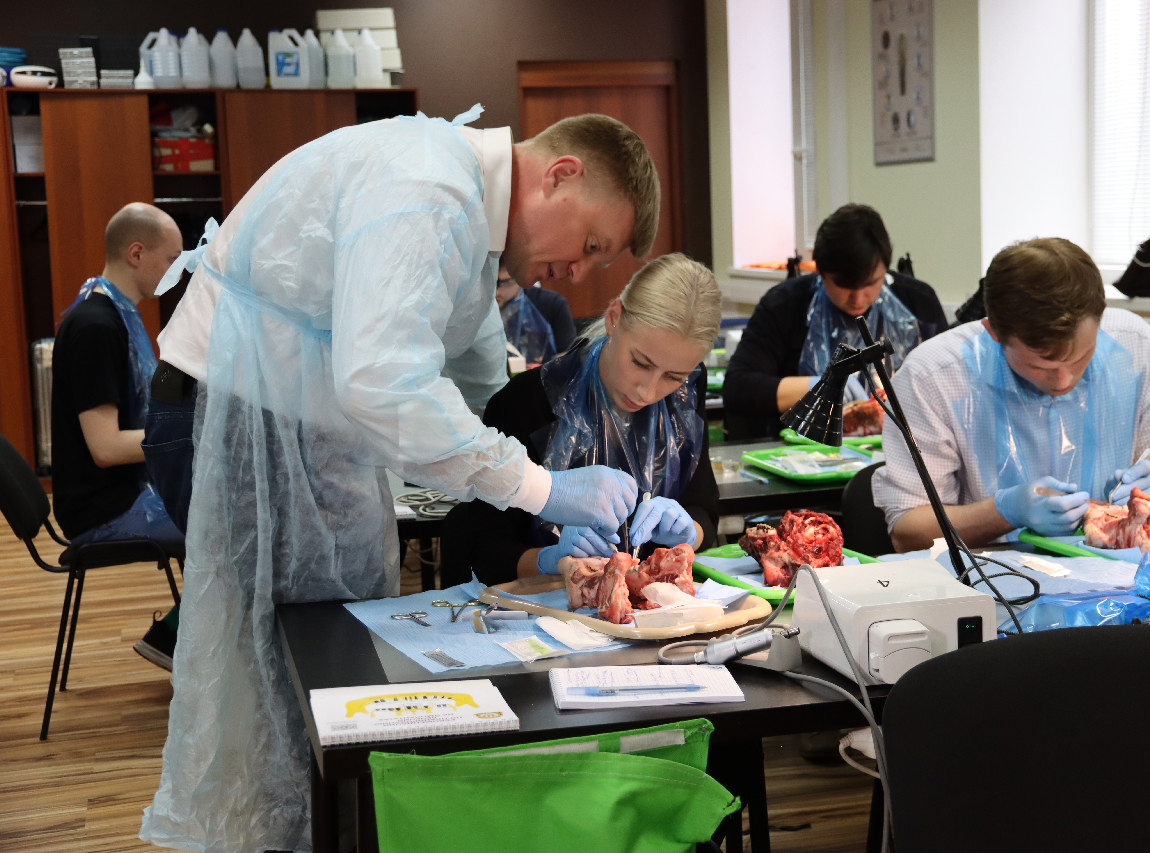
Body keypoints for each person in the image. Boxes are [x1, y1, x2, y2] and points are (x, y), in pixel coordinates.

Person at [139, 107, 660, 853]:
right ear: (561, 174)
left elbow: (474, 375)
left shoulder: (473, 229)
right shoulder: (428, 185)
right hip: (234, 416)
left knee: (330, 665)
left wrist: (541, 492)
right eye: (589, 244)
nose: (577, 270)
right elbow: (384, 381)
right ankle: (277, 838)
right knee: (278, 674)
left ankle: (316, 834)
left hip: (296, 422)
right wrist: (543, 490)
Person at [872, 236, 1150, 553]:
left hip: (1120, 576)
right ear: (993, 332)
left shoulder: (1132, 345)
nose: (1063, 380)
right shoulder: (934, 377)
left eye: (1080, 359)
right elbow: (906, 533)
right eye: (1039, 366)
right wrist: (1005, 511)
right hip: (990, 583)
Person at [457, 253, 720, 583]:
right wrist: (550, 560)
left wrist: (687, 533)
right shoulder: (527, 403)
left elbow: (705, 513)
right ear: (614, 318)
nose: (648, 392)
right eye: (640, 362)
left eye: (673, 376)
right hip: (542, 614)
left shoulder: (686, 393)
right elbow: (486, 551)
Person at [50, 202, 185, 671]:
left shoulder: (112, 314)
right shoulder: (95, 327)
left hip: (119, 494)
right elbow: (106, 449)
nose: (175, 272)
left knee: (225, 510)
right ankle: (178, 639)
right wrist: (192, 435)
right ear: (136, 253)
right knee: (230, 526)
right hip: (100, 509)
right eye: (171, 260)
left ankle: (194, 639)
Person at [721, 203, 948, 439]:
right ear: (819, 270)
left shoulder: (919, 303)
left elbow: (950, 382)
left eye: (871, 283)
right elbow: (738, 390)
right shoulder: (785, 306)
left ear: (885, 268)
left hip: (902, 448)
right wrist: (817, 387)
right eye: (845, 286)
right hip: (804, 456)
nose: (858, 298)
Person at [495, 264, 559, 368]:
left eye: (504, 282)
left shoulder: (551, 304)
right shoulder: (475, 307)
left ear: (519, 278)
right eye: (491, 281)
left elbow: (567, 358)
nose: (496, 291)